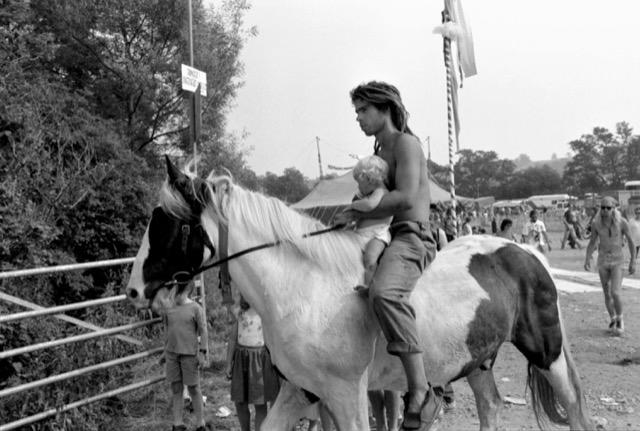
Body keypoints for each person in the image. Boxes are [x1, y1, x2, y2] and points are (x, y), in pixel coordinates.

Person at [335, 81, 442, 431]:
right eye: (356, 112)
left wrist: (357, 212)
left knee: (383, 293)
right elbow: (377, 199)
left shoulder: (406, 144)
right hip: (386, 235)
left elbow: (407, 198)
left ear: (385, 109)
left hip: (412, 236)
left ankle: (421, 391)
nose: (359, 118)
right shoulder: (379, 150)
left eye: (363, 110)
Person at [226, 295, 280, 431]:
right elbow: (232, 339)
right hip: (241, 359)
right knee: (240, 402)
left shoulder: (266, 312)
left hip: (259, 362)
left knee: (260, 404)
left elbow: (275, 338)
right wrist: (228, 363)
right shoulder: (238, 312)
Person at [584, 197, 636, 336]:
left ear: (614, 208)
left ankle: (620, 319)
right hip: (602, 261)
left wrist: (633, 261)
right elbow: (592, 242)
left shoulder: (622, 222)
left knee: (615, 292)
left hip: (618, 261)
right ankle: (612, 318)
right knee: (606, 293)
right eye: (603, 207)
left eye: (608, 208)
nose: (605, 210)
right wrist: (587, 258)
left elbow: (631, 242)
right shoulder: (596, 223)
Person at [163, 281, 209, 431]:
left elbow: (203, 331)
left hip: (189, 354)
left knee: (194, 388)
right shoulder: (168, 308)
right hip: (172, 355)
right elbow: (167, 329)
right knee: (176, 388)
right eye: (175, 289)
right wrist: (165, 350)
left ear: (188, 289)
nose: (175, 293)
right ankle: (178, 424)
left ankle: (200, 423)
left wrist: (202, 352)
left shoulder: (195, 308)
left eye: (179, 290)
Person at [350, 155, 393, 291]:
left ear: (369, 179)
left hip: (377, 234)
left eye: (359, 182)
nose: (358, 187)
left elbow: (369, 205)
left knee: (370, 258)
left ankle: (369, 285)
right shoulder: (370, 192)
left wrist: (354, 205)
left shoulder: (380, 192)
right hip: (363, 234)